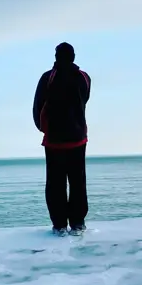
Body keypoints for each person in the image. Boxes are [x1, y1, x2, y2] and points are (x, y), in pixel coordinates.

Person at [33, 42, 91, 235]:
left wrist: (44, 129)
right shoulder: (84, 77)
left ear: (56, 57)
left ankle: (59, 225)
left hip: (54, 141)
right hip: (78, 139)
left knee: (55, 183)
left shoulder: (47, 77)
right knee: (77, 182)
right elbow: (85, 100)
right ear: (73, 57)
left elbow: (38, 107)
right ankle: (77, 223)